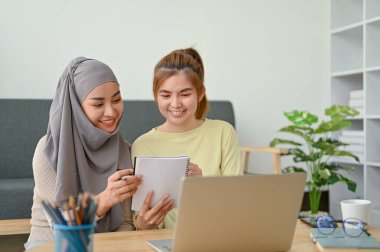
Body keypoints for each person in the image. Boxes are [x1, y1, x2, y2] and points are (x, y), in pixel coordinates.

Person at [25, 57, 174, 250]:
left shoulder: (123, 149)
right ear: (76, 107)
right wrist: (104, 200)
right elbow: (61, 228)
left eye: (116, 100)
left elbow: (125, 226)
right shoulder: (49, 150)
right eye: (98, 104)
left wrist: (144, 226)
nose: (111, 112)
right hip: (52, 244)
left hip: (107, 246)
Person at [131, 48, 243, 229]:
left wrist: (202, 186)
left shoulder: (223, 132)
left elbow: (236, 203)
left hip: (219, 235)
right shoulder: (143, 145)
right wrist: (143, 225)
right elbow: (142, 223)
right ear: (156, 96)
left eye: (185, 94)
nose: (175, 104)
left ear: (200, 93)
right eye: (166, 95)